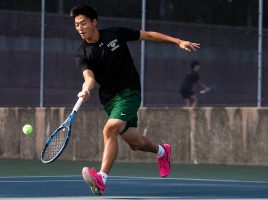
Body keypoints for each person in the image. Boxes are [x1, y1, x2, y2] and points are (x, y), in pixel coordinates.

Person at [70, 5, 200, 195]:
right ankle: (162, 152)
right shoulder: (82, 54)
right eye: (76, 25)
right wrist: (85, 90)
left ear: (94, 22)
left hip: (129, 92)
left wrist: (177, 41)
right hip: (109, 99)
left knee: (109, 129)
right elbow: (89, 78)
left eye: (83, 23)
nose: (80, 28)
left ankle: (101, 178)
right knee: (135, 143)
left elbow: (149, 35)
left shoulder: (115, 34)